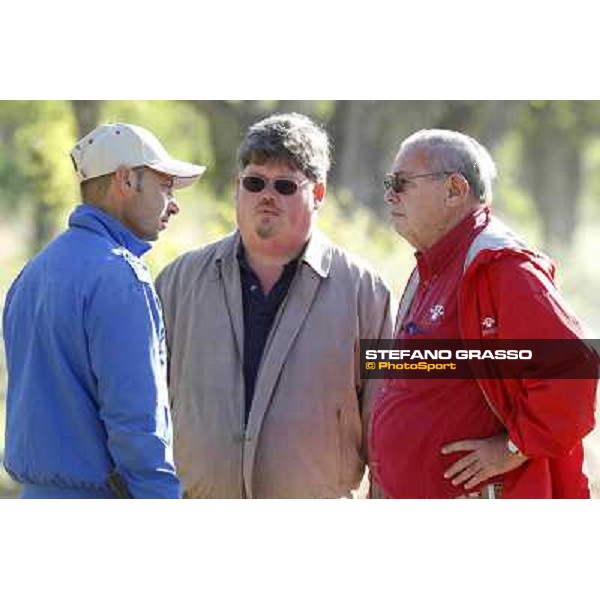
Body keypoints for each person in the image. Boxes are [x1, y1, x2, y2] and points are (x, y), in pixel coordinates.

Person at [156, 113, 392, 498]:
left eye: (285, 185)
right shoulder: (178, 283)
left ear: (317, 195)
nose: (267, 195)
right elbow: (139, 410)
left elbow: (387, 430)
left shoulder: (367, 294)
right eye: (254, 182)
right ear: (237, 187)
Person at [368, 128, 598, 499]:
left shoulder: (501, 267)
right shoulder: (434, 265)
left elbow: (575, 366)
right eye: (388, 182)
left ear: (455, 190)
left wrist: (512, 448)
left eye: (402, 182)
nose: (389, 193)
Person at [2, 123, 205, 498]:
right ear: (126, 180)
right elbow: (137, 425)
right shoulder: (121, 278)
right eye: (165, 186)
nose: (174, 204)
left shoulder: (31, 273)